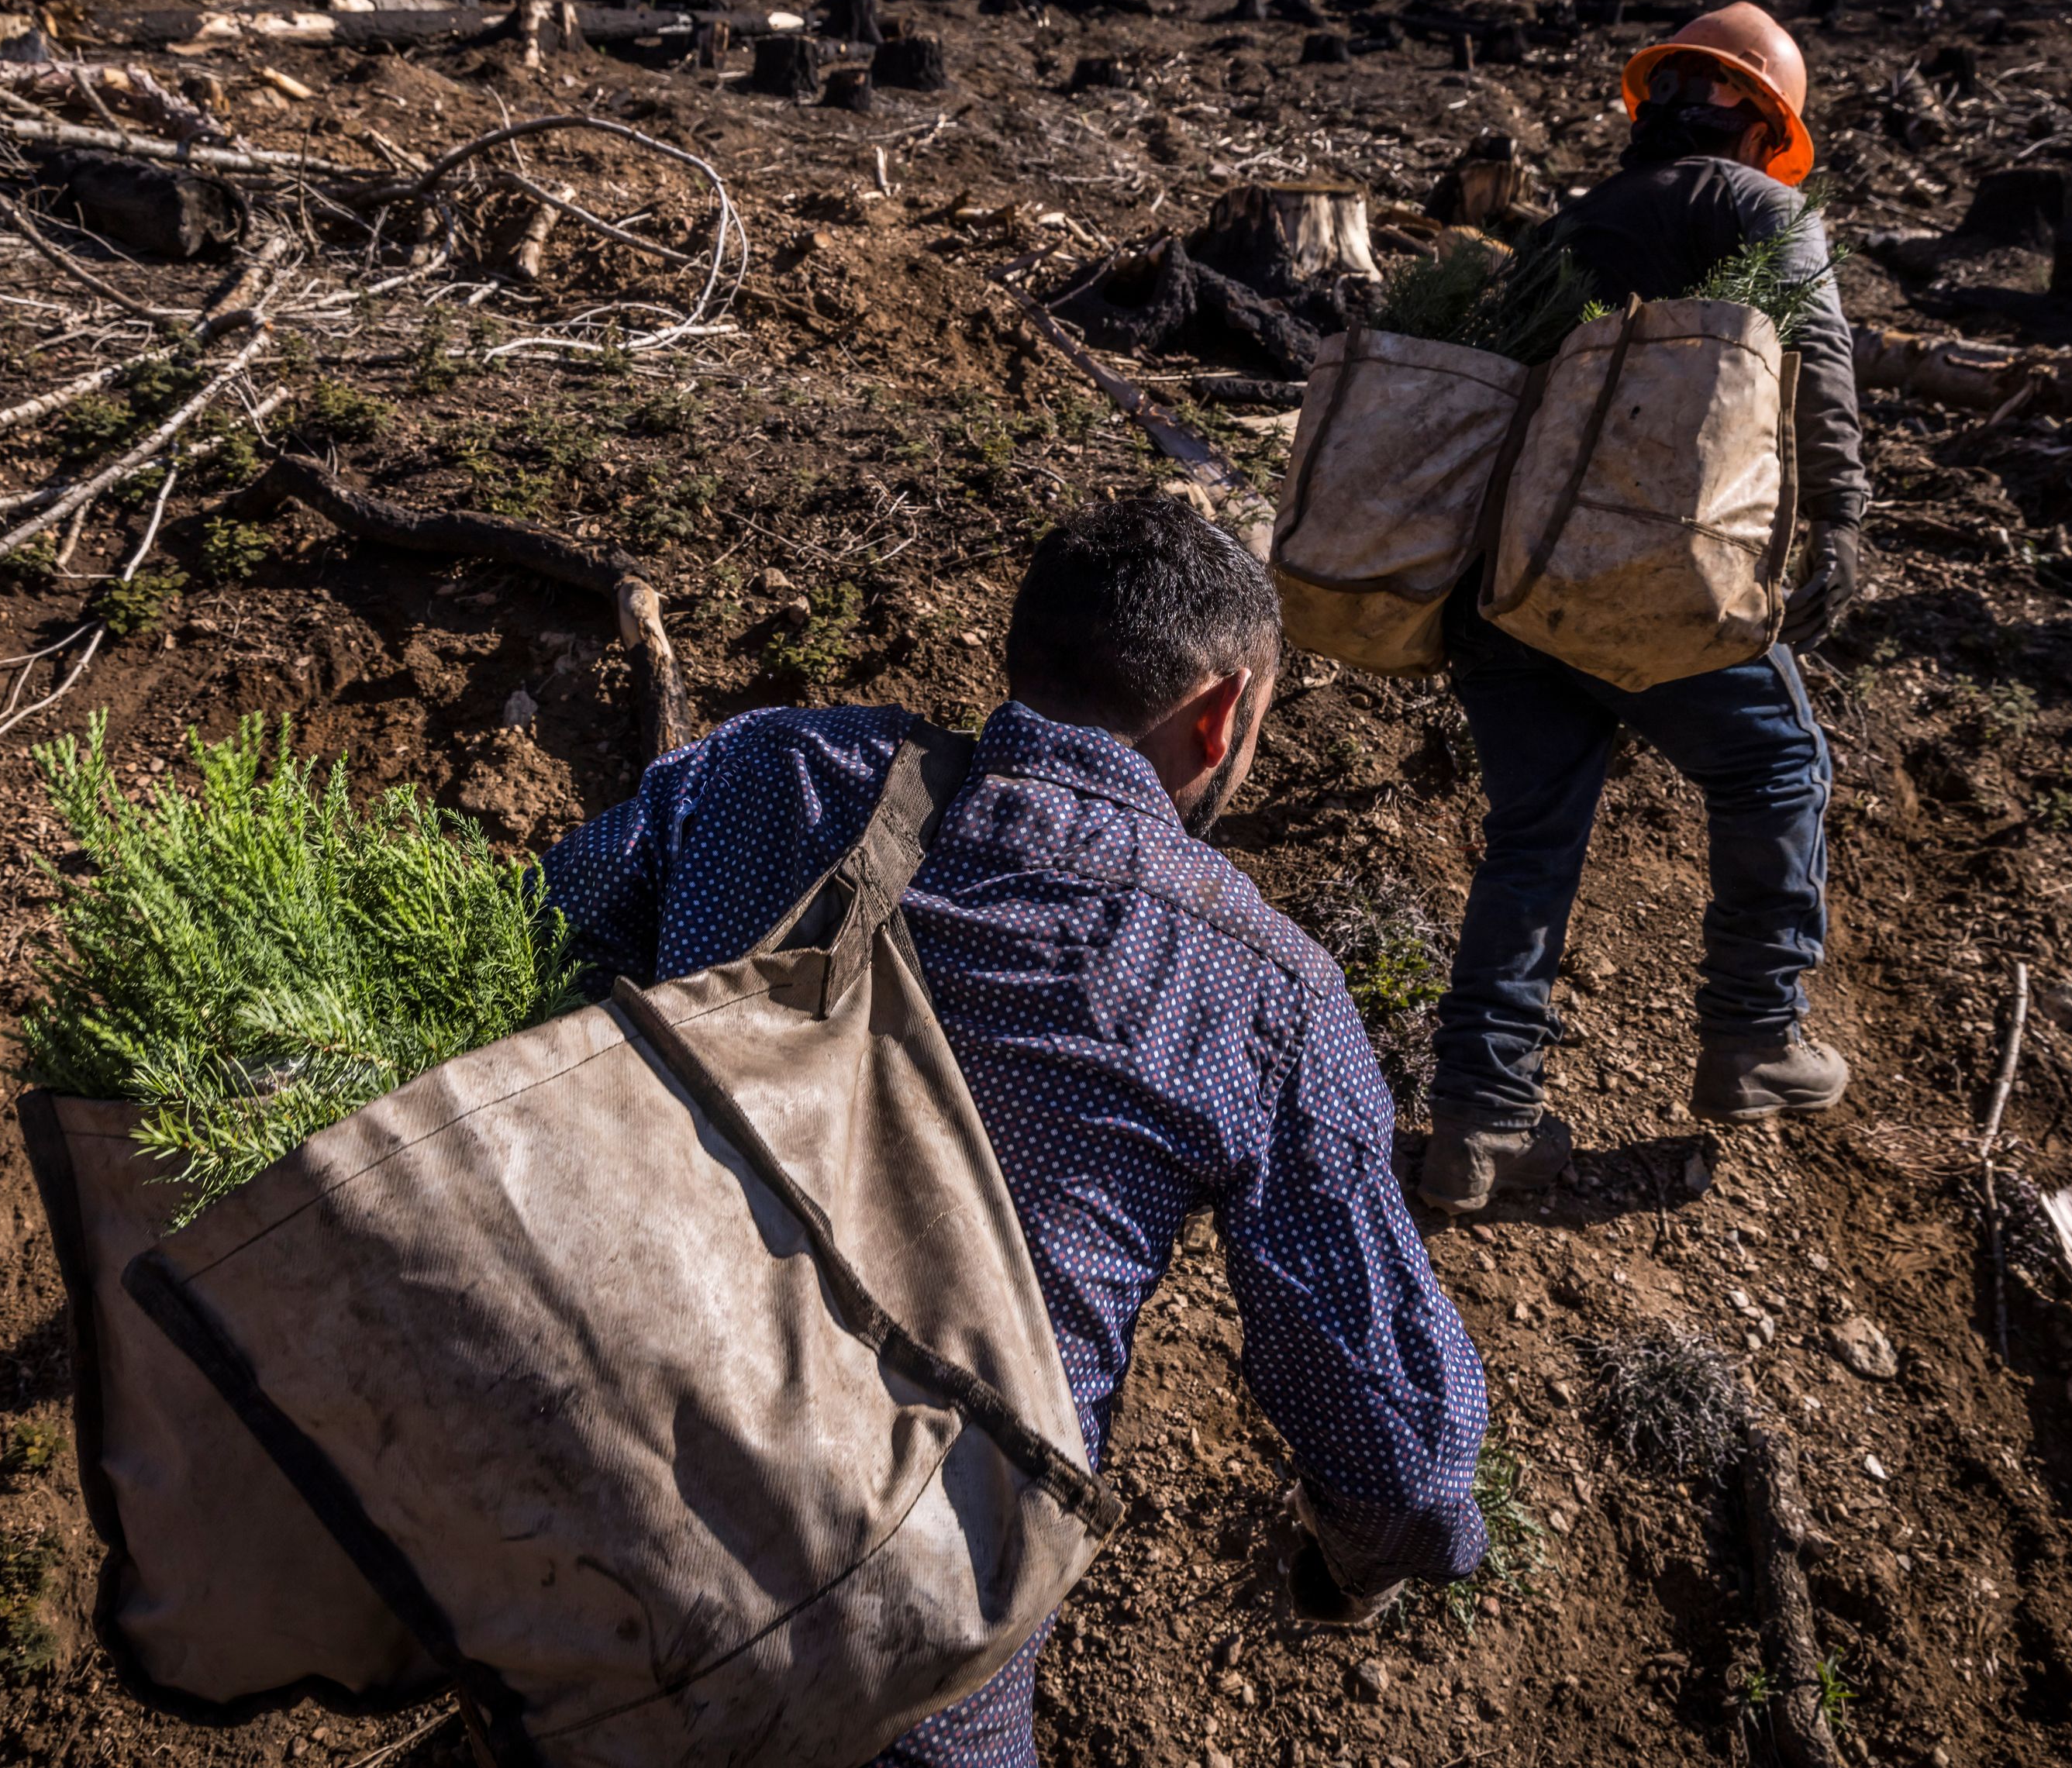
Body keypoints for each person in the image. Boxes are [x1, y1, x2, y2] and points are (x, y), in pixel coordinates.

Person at [540, 495, 1490, 1766]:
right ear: (1221, 714)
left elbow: (529, 947)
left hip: (587, 1543)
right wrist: (1359, 1559)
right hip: (905, 1659)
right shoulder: (1263, 991)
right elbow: (1400, 1443)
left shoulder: (770, 771)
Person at [1415, 0, 1867, 1216]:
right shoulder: (1766, 213)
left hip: (1503, 589)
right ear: (1764, 121)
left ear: (1659, 100)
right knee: (1779, 765)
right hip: (1646, 573)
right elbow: (1814, 358)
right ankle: (1753, 1034)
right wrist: (1844, 517)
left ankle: (1478, 1122)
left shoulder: (1564, 228)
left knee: (1532, 840)